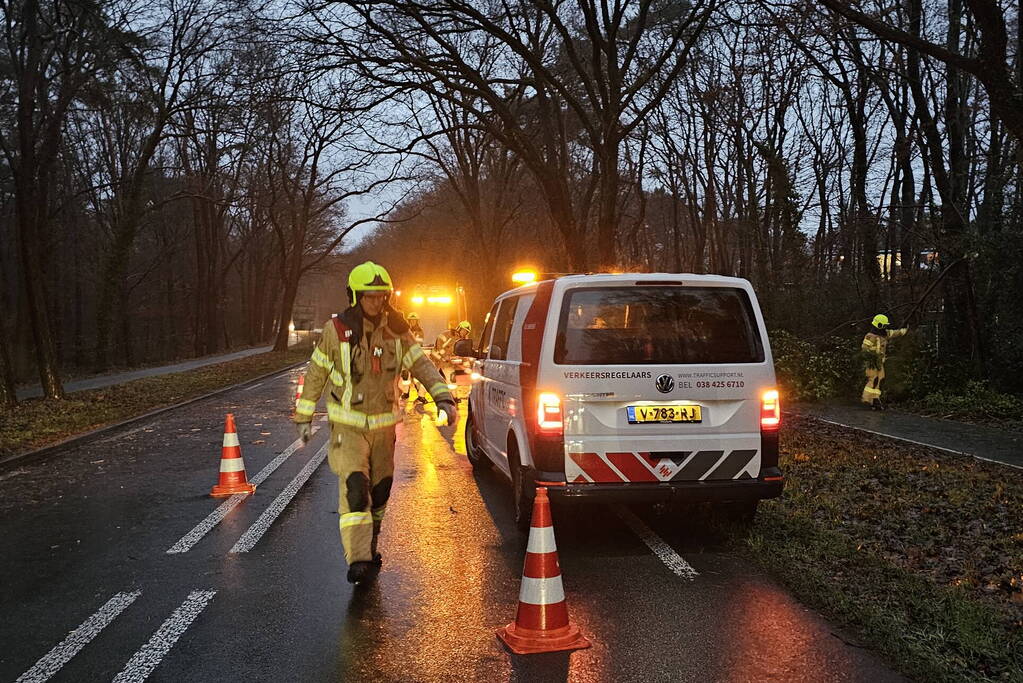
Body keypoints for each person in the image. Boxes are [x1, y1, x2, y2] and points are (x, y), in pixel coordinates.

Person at [294, 261, 456, 585]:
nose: (375, 302)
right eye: (369, 296)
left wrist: (444, 397)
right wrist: (304, 415)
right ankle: (357, 559)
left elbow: (421, 364)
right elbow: (316, 372)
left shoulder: (397, 331)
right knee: (355, 488)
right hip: (348, 428)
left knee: (380, 492)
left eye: (381, 296)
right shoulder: (336, 331)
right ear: (355, 296)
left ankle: (370, 542)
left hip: (384, 429)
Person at [861, 314, 908, 411]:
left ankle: (875, 399)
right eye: (883, 325)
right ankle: (867, 399)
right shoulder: (870, 336)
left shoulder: (885, 334)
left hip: (879, 362)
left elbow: (895, 333)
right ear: (877, 325)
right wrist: (870, 358)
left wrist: (905, 330)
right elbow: (865, 349)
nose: (884, 328)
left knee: (880, 379)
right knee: (873, 379)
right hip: (872, 362)